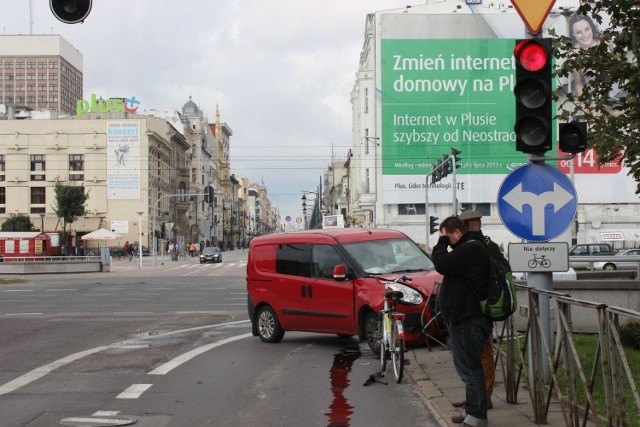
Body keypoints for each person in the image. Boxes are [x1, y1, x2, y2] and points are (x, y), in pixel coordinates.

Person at [432, 216, 491, 427]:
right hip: (464, 317)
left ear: (456, 232)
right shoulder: (468, 249)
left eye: (446, 235)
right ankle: (471, 411)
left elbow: (441, 263)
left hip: (468, 319)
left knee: (470, 369)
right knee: (468, 367)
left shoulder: (471, 249)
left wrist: (441, 243)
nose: (445, 241)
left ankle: (477, 416)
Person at [450, 210, 508, 411]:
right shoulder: (477, 245)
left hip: (480, 308)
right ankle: (475, 398)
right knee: (475, 358)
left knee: (481, 355)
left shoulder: (481, 246)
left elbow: (502, 269)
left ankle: (483, 398)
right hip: (476, 307)